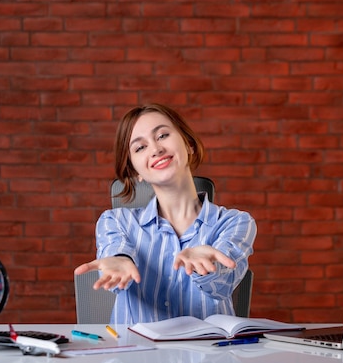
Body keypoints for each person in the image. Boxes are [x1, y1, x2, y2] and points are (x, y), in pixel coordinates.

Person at [74, 103, 257, 324]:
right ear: (135, 171)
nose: (155, 149)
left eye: (162, 135)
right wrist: (120, 260)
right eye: (140, 148)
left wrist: (208, 267)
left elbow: (223, 284)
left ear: (188, 144)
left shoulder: (235, 223)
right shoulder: (115, 221)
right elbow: (116, 249)